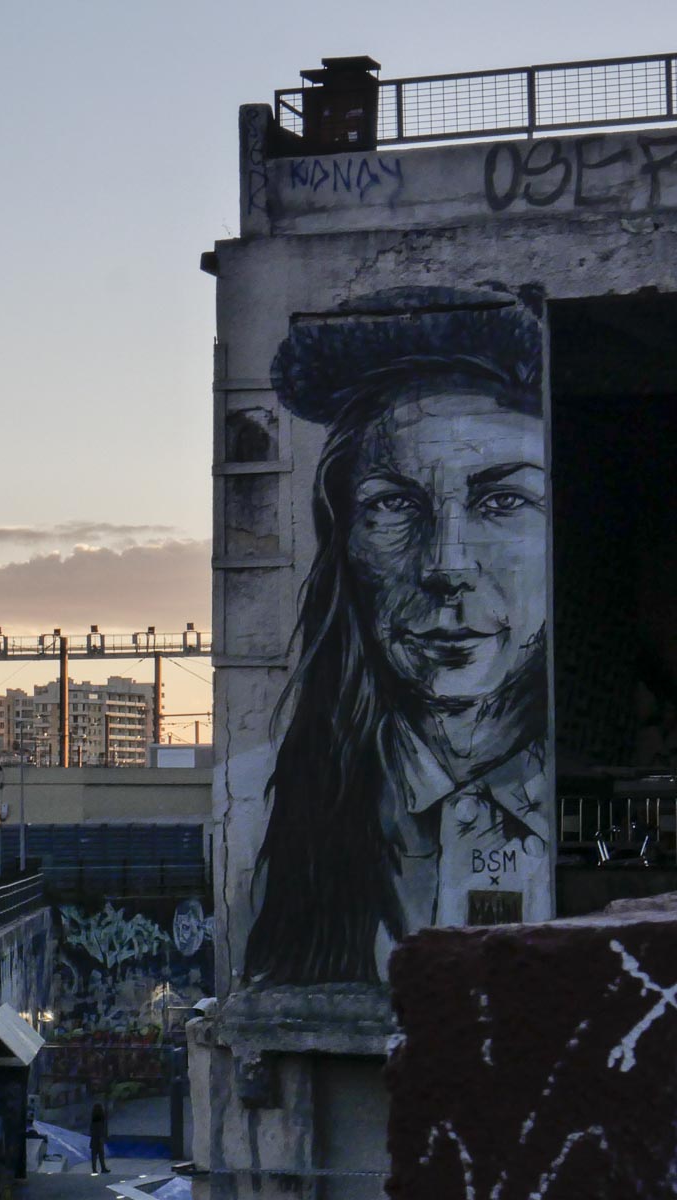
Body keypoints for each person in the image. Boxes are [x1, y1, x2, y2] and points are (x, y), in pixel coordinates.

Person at [244, 288, 552, 987]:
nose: (446, 565)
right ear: (344, 543)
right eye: (393, 506)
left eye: (504, 500)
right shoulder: (275, 803)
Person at [89, 1102, 109, 1175]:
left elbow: (92, 1129)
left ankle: (94, 1169)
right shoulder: (101, 1118)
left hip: (94, 1139)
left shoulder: (94, 1118)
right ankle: (102, 1168)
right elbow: (101, 1129)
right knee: (101, 1154)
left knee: (94, 1155)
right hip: (99, 1138)